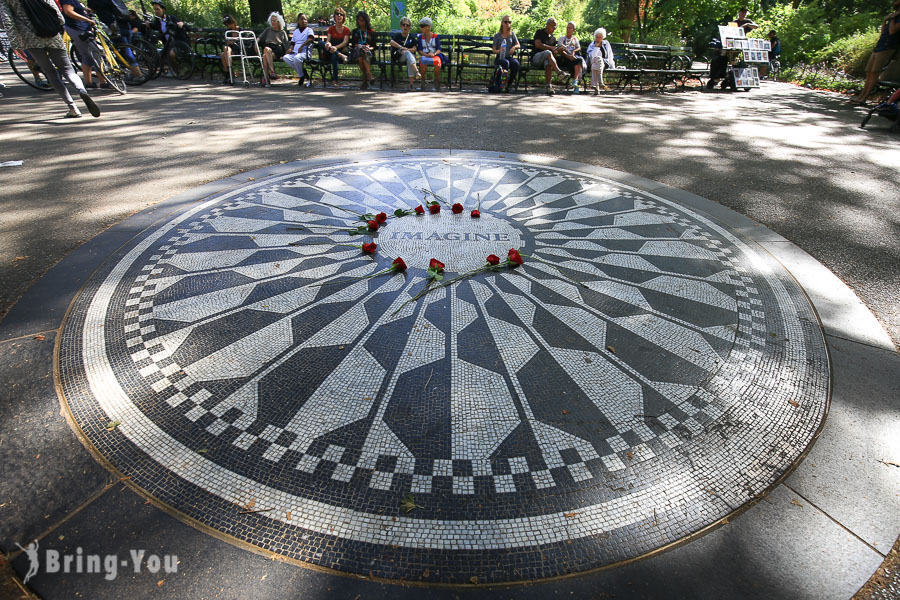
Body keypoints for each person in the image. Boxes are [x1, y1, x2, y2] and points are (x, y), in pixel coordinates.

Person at [0, 0, 100, 117]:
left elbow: (7, 20)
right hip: (52, 34)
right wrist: (58, 26)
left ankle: (73, 107)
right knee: (68, 69)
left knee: (51, 73)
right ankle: (81, 90)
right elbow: (55, 9)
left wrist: (15, 44)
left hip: (30, 38)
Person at [852, 0, 900, 105]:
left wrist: (891, 18)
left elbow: (892, 31)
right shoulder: (893, 16)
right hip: (879, 46)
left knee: (875, 72)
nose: (894, 2)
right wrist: (885, 20)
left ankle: (864, 98)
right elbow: (884, 31)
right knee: (869, 72)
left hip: (888, 47)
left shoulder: (897, 18)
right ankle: (860, 96)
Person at [86, 0, 141, 79]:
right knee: (127, 48)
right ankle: (133, 72)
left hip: (114, 27)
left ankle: (137, 73)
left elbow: (93, 10)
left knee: (123, 50)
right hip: (125, 23)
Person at [60, 0, 107, 88]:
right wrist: (86, 19)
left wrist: (85, 9)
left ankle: (88, 83)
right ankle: (103, 82)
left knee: (86, 55)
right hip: (78, 28)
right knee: (96, 54)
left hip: (81, 27)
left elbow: (75, 9)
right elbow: (68, 11)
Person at [146, 1, 188, 76]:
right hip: (168, 45)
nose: (156, 11)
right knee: (158, 54)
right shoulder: (157, 22)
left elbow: (186, 26)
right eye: (155, 9)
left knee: (171, 54)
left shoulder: (171, 18)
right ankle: (170, 69)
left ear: (163, 9)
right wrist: (148, 25)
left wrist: (182, 24)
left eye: (158, 9)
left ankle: (176, 70)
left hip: (179, 44)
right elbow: (152, 28)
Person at [316, 7, 349, 87]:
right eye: (337, 14)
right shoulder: (331, 29)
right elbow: (328, 40)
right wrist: (328, 44)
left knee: (334, 56)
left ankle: (335, 81)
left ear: (343, 17)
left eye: (341, 15)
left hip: (338, 51)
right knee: (321, 43)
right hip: (329, 51)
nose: (339, 16)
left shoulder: (346, 30)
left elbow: (345, 42)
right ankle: (341, 56)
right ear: (334, 17)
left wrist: (336, 48)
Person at [531, 18, 565, 95]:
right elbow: (538, 44)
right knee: (547, 52)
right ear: (548, 25)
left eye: (555, 27)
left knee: (548, 62)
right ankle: (559, 72)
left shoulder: (553, 38)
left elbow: (552, 53)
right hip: (536, 58)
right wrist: (550, 48)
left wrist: (558, 50)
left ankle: (548, 86)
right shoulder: (539, 32)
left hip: (546, 58)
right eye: (553, 27)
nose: (554, 29)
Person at [283, 12, 315, 87]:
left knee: (297, 58)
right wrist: (290, 49)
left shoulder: (309, 30)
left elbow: (311, 38)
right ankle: (302, 73)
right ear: (298, 21)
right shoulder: (296, 32)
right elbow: (292, 43)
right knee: (286, 57)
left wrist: (302, 46)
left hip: (305, 52)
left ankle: (301, 76)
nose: (304, 21)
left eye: (305, 19)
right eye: (302, 19)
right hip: (295, 52)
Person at [257, 12, 289, 82]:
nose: (272, 22)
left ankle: (267, 76)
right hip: (268, 49)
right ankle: (270, 74)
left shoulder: (282, 32)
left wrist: (285, 55)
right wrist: (256, 41)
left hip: (277, 49)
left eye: (274, 21)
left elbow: (286, 45)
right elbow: (259, 37)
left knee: (266, 52)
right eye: (271, 21)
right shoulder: (268, 30)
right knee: (265, 54)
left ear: (278, 22)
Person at [491, 14, 519, 93]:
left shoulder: (512, 34)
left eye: (509, 22)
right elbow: (493, 50)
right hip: (500, 57)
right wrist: (499, 50)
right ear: (502, 23)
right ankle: (502, 84)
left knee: (516, 64)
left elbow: (518, 44)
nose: (508, 24)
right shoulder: (497, 36)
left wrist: (514, 47)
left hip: (509, 56)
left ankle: (509, 84)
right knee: (506, 63)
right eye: (506, 22)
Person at [417, 17, 446, 91]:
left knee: (438, 62)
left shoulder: (436, 36)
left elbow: (439, 49)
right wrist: (426, 55)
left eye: (422, 26)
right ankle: (423, 80)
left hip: (434, 55)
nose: (421, 28)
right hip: (425, 55)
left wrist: (434, 53)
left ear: (428, 27)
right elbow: (420, 50)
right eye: (421, 26)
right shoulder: (420, 37)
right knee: (422, 61)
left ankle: (436, 80)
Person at [556, 21, 585, 94]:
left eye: (570, 28)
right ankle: (576, 83)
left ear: (573, 30)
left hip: (572, 58)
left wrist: (573, 52)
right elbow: (560, 50)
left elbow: (579, 48)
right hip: (564, 58)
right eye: (567, 28)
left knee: (578, 61)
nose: (568, 29)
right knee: (576, 62)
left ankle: (575, 82)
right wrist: (568, 56)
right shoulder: (561, 39)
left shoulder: (575, 39)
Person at [389, 16, 418, 89]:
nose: (405, 27)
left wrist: (407, 50)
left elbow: (414, 49)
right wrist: (401, 47)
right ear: (401, 26)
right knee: (408, 55)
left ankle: (411, 85)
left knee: (409, 57)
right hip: (400, 56)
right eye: (403, 25)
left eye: (407, 25)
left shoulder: (411, 37)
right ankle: (417, 71)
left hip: (409, 57)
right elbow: (391, 42)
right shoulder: (397, 36)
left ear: (409, 27)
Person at [351, 10, 376, 90]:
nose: (361, 22)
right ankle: (370, 76)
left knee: (362, 57)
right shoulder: (355, 31)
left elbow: (374, 46)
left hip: (369, 53)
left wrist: (369, 48)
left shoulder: (371, 32)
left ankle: (365, 80)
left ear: (366, 21)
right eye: (359, 20)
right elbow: (353, 44)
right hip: (358, 51)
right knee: (361, 55)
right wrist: (360, 45)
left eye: (362, 20)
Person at [587, 27, 614, 94]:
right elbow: (592, 56)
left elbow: (610, 54)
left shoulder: (606, 43)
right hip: (594, 61)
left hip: (605, 63)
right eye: (597, 37)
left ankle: (595, 86)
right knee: (596, 61)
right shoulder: (592, 45)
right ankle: (600, 81)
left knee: (596, 64)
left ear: (603, 37)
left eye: (600, 37)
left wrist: (611, 65)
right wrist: (596, 47)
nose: (598, 39)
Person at [220, 14, 240, 84]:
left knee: (224, 53)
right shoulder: (227, 32)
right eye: (227, 25)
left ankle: (229, 74)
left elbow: (244, 41)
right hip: (230, 49)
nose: (229, 26)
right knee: (224, 52)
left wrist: (235, 40)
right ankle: (229, 72)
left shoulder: (240, 30)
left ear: (233, 22)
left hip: (239, 48)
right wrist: (230, 42)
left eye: (230, 24)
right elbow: (226, 41)